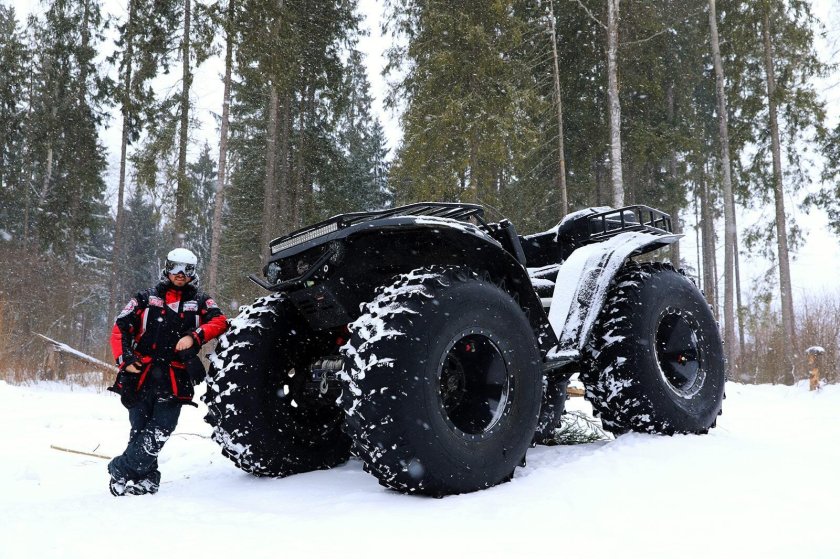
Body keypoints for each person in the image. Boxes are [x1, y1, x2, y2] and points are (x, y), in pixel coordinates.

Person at [107, 248, 227, 496]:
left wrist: (194, 337)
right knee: (139, 428)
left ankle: (121, 469)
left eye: (187, 269)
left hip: (175, 375)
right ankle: (148, 478)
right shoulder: (145, 298)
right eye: (175, 268)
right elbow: (120, 328)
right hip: (141, 373)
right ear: (166, 268)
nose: (180, 274)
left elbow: (219, 322)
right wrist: (124, 360)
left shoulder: (202, 301)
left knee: (162, 427)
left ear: (193, 272)